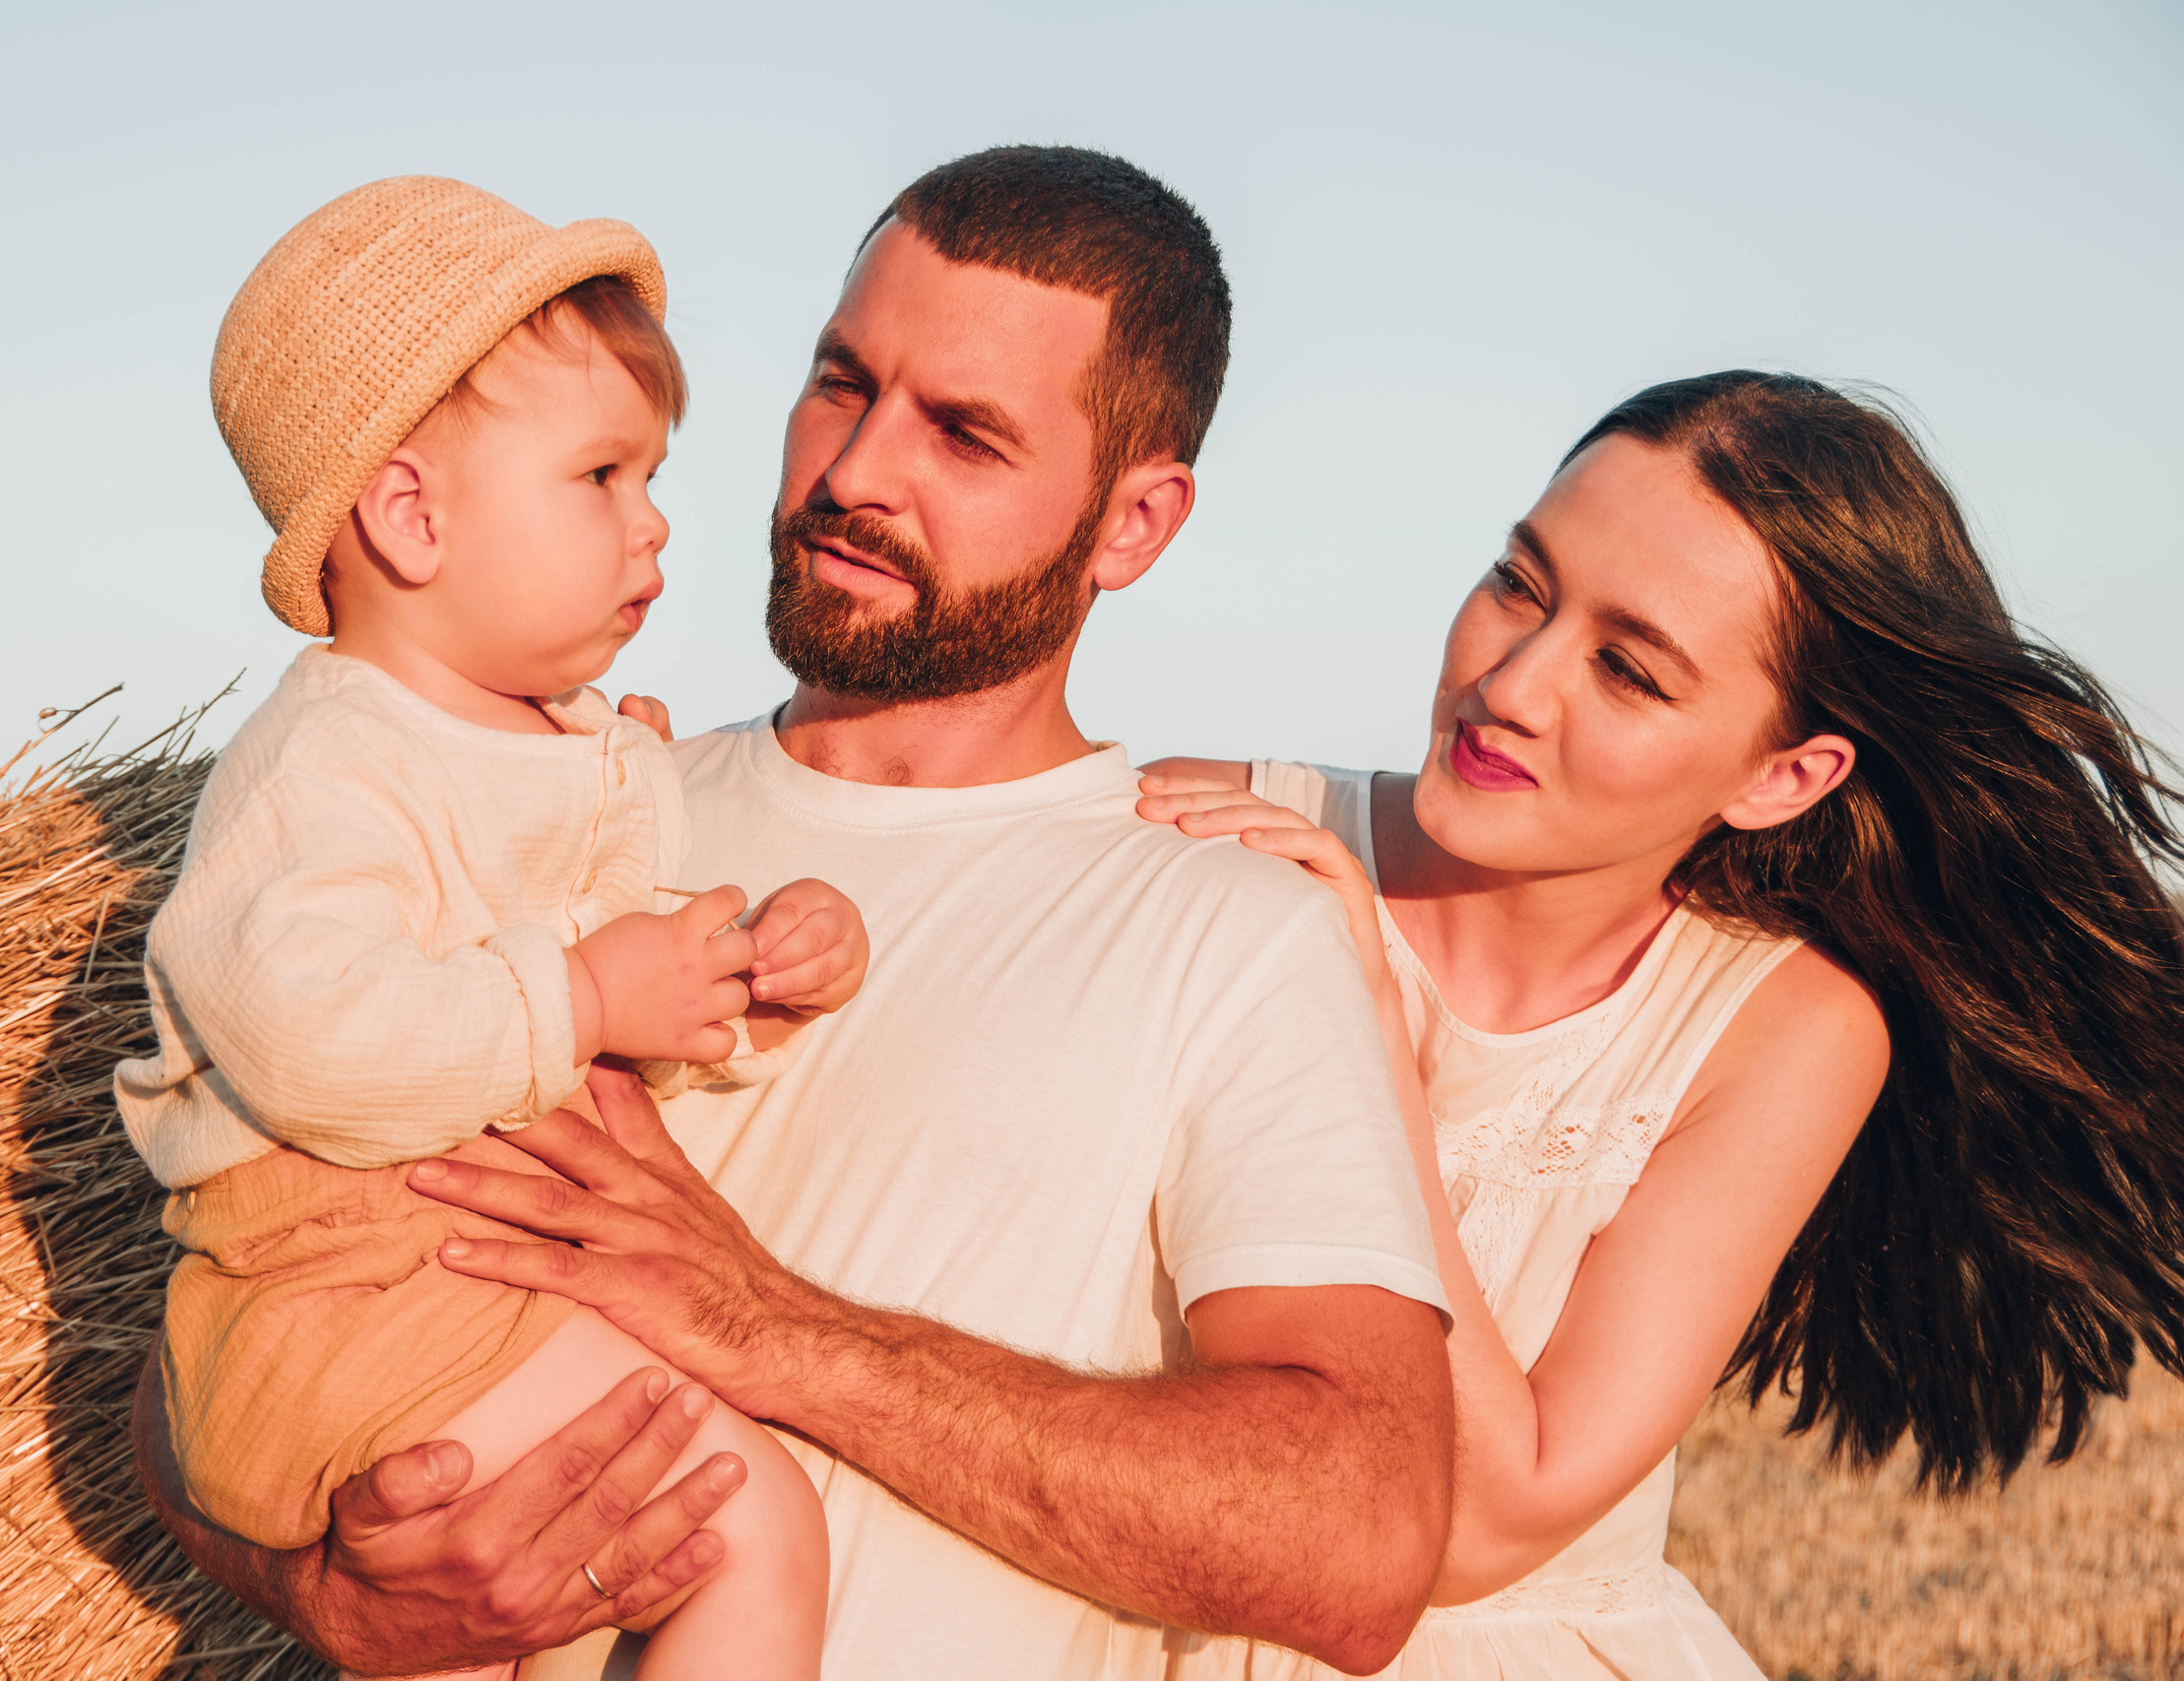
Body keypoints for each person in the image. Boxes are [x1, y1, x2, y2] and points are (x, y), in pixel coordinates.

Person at [139, 146, 1457, 1681]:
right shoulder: (563, 798)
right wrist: (319, 1586)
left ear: (1133, 523)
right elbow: (205, 1313)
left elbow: (1359, 1545)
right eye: (843, 382)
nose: (854, 472)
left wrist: (775, 1330)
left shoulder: (1224, 932)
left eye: (963, 433)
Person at [1135, 369, 2184, 1677]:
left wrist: (1347, 1022)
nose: (1512, 683)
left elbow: (1479, 1524)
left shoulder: (1787, 1023)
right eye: (1521, 583)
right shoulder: (1197, 837)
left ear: (1782, 774)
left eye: (1627, 669)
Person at [117, 177, 873, 1681]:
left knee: (511, 1634)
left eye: (652, 475)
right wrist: (588, 995)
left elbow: (594, 1018)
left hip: (455, 1279)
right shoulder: (326, 759)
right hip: (346, 1288)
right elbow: (311, 1033)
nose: (655, 523)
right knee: (753, 1531)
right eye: (600, 474)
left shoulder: (555, 747)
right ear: (410, 513)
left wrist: (745, 981)